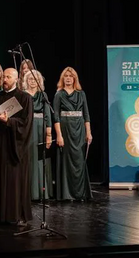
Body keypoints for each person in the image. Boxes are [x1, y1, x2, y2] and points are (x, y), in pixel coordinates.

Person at [0, 68, 33, 226]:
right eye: (4, 76)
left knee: (15, 180)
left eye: (8, 77)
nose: (5, 79)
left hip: (15, 146)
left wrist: (9, 121)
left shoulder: (24, 97)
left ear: (16, 79)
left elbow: (26, 123)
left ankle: (17, 215)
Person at [53, 67, 93, 201]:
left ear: (75, 78)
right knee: (66, 161)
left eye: (71, 76)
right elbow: (56, 117)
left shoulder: (81, 94)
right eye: (66, 76)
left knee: (79, 161)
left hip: (79, 129)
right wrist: (59, 135)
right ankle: (66, 193)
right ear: (62, 79)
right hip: (65, 129)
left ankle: (80, 193)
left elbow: (86, 114)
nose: (68, 78)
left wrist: (89, 132)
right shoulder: (59, 94)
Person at [23, 70, 53, 201]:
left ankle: (40, 192)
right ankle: (29, 192)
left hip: (41, 127)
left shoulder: (43, 95)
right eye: (30, 79)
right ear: (26, 81)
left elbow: (48, 115)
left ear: (39, 81)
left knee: (40, 159)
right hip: (28, 127)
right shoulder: (23, 94)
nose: (33, 82)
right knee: (29, 158)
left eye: (35, 79)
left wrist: (48, 134)